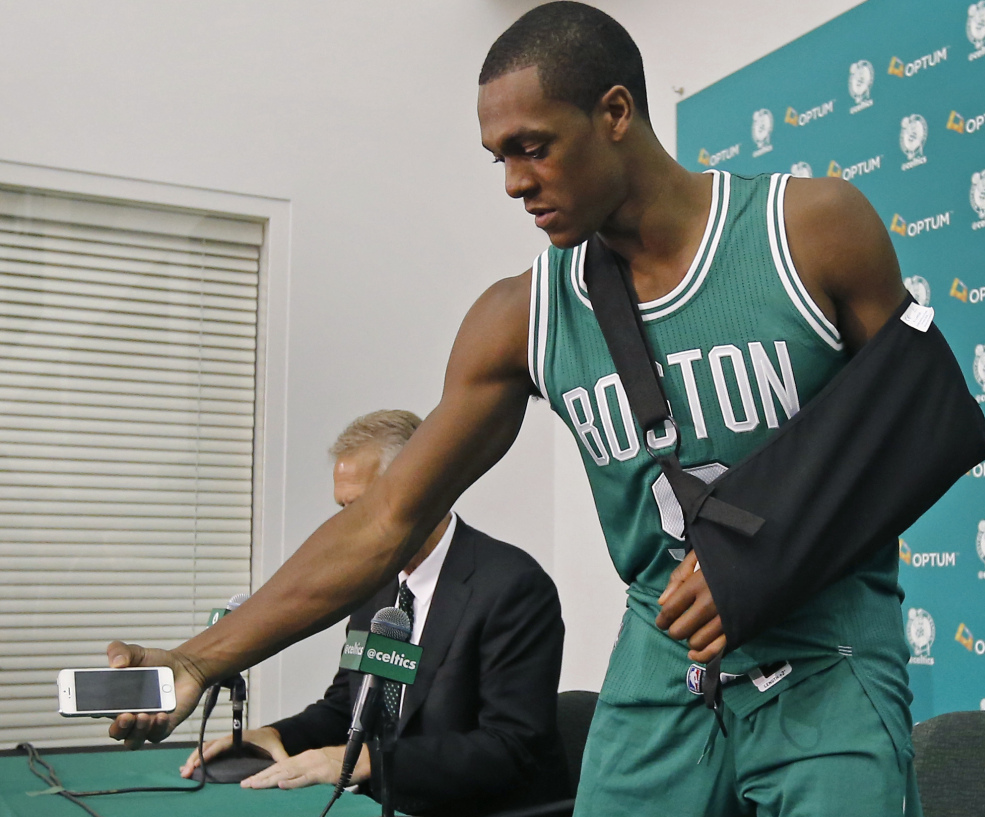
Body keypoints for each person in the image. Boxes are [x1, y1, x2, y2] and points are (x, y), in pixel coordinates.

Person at [108, 3, 921, 814]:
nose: (514, 183)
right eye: (498, 157)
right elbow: (388, 516)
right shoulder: (518, 316)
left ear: (613, 112)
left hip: (826, 649)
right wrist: (199, 660)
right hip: (664, 662)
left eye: (533, 147)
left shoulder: (807, 230)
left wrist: (764, 551)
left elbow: (917, 426)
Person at [179, 410, 568, 817]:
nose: (348, 527)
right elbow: (351, 703)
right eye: (342, 509)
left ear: (422, 489)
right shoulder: (374, 583)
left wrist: (366, 761)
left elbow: (510, 748)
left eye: (361, 508)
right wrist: (274, 736)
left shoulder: (512, 586)